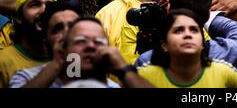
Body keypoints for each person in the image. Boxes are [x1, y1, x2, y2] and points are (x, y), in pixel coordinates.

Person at [135, 0, 237, 70]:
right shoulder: (228, 52)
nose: (187, 35)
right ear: (207, 14)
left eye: (192, 30)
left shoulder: (146, 63)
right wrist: (204, 12)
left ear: (170, 8)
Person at [12, 16, 152, 88]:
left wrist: (122, 68)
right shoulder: (27, 78)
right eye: (80, 41)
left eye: (98, 42)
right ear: (63, 48)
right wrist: (58, 63)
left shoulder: (114, 87)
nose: (90, 46)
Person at [137, 9, 237, 88]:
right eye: (178, 30)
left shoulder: (225, 72)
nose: (188, 35)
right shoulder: (143, 75)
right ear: (164, 44)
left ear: (202, 43)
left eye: (194, 30)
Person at [8, 1, 81, 87]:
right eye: (57, 29)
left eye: (72, 26)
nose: (66, 33)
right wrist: (58, 62)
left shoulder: (98, 69)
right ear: (45, 43)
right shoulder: (26, 77)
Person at [0, 0, 57, 87]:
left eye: (49, 6)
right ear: (18, 17)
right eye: (35, 5)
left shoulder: (71, 59)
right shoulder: (3, 61)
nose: (43, 11)